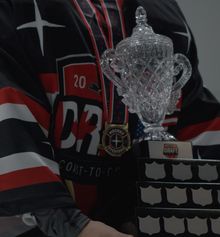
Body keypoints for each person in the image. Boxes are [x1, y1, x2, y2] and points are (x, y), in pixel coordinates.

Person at [0, 0, 220, 237]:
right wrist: (70, 224)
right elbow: (9, 111)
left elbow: (194, 113)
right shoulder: (16, 9)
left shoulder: (164, 12)